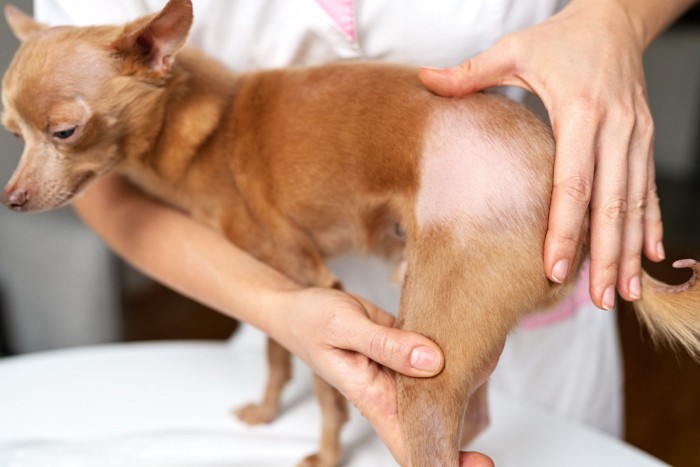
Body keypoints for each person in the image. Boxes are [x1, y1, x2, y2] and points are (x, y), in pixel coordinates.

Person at [32, 0, 698, 465]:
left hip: (518, 233)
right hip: (283, 301)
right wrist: (277, 308)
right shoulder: (113, 90)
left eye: (57, 133)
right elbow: (103, 185)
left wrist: (616, 16)